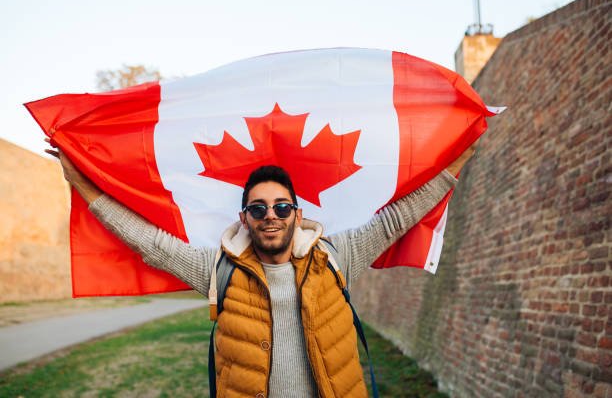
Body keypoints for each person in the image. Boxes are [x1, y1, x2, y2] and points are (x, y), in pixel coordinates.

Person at [47, 141, 475, 398]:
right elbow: (149, 243)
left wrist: (460, 157)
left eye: (281, 206)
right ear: (245, 217)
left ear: (297, 213)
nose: (271, 215)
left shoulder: (336, 256)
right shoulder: (218, 269)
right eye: (259, 208)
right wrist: (79, 181)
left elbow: (397, 218)